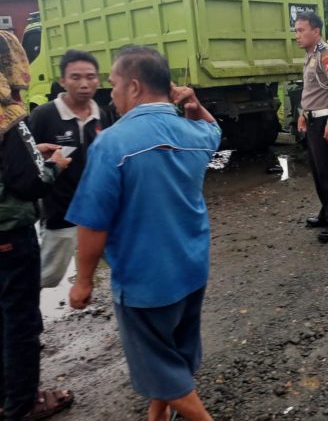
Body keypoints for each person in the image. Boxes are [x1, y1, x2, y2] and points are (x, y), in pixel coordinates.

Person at [66, 46, 220, 421]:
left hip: (145, 282)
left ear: (134, 87)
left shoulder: (113, 143)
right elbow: (215, 130)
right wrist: (195, 104)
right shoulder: (192, 131)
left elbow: (93, 222)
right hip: (191, 269)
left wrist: (83, 281)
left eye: (114, 85)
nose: (111, 95)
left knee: (161, 370)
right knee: (173, 358)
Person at [0, 30, 74, 421]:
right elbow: (26, 184)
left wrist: (33, 156)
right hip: (9, 234)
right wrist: (53, 167)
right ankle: (24, 403)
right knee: (21, 321)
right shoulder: (8, 116)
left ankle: (6, 395)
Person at [29, 50, 108, 288]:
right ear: (62, 80)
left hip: (98, 215)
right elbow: (25, 161)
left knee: (123, 264)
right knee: (44, 277)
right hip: (61, 214)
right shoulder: (44, 115)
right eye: (75, 77)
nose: (84, 84)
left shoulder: (102, 115)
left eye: (91, 77)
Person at [295, 12, 328, 243]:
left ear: (316, 32)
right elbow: (313, 91)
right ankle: (326, 214)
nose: (297, 35)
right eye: (296, 30)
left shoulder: (327, 54)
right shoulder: (311, 55)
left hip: (325, 122)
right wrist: (302, 114)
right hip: (313, 120)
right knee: (319, 172)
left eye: (301, 30)